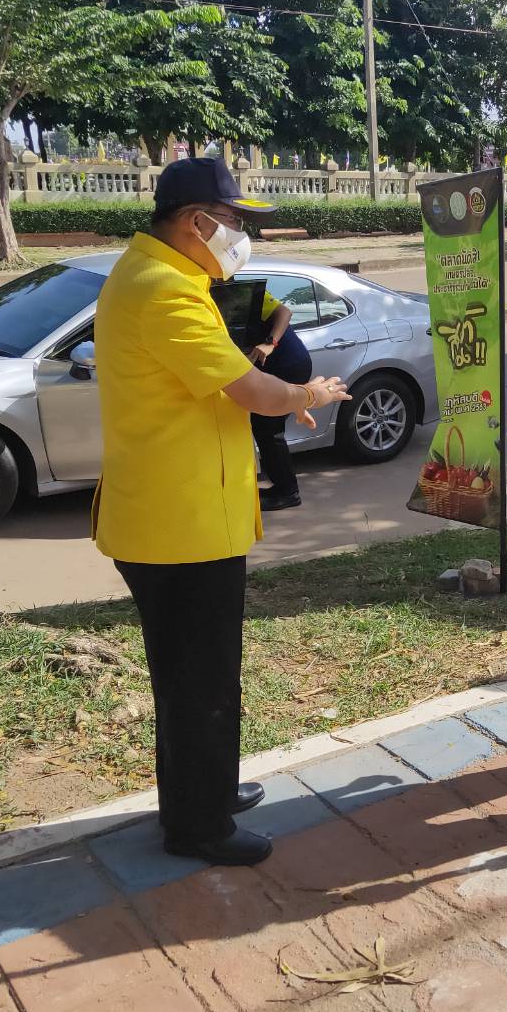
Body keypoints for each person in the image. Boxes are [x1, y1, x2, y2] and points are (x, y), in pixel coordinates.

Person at [93, 157, 349, 866]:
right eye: (233, 220)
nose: (239, 233)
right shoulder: (165, 290)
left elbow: (209, 384)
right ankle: (198, 826)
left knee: (189, 675)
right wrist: (310, 394)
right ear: (192, 220)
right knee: (199, 678)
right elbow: (258, 393)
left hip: (175, 513)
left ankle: (203, 792)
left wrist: (271, 390)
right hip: (181, 525)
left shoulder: (160, 277)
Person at [246, 288, 313, 512]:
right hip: (273, 368)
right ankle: (282, 487)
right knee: (263, 427)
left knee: (267, 428)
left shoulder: (245, 292)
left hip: (288, 364)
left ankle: (287, 492)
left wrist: (270, 343)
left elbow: (284, 312)